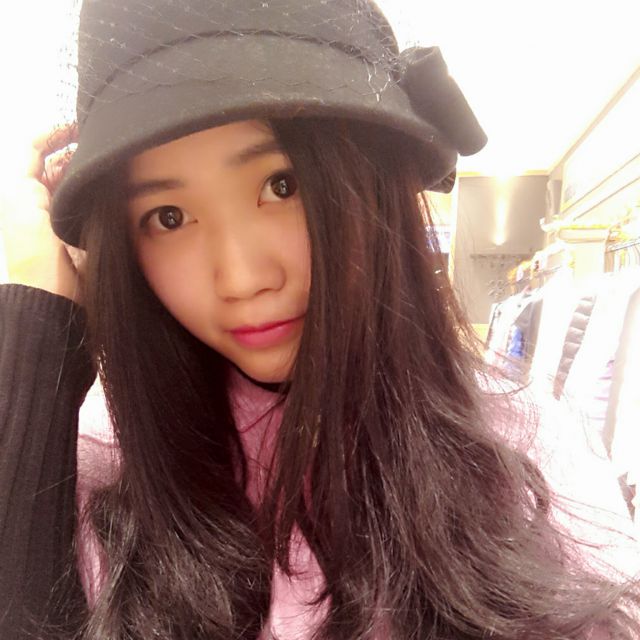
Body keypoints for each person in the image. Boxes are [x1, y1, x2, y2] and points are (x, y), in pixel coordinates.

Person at [0, 0, 638, 638]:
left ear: (372, 181)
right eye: (168, 217)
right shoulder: (100, 470)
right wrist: (36, 326)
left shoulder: (530, 455)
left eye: (282, 185)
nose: (243, 278)